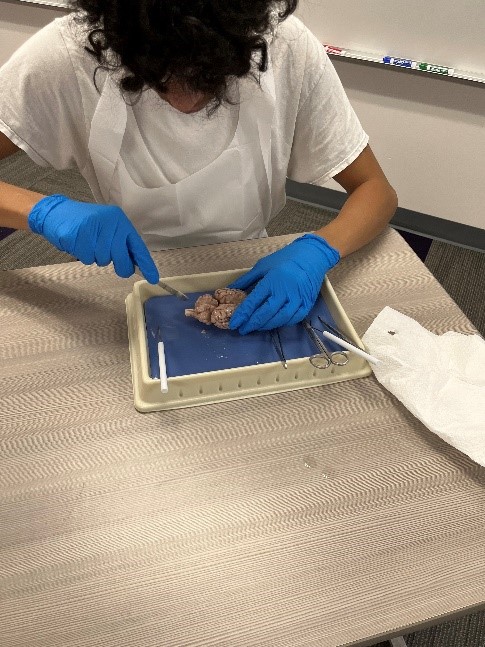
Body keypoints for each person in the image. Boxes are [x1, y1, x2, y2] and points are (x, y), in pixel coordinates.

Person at [0, 0, 397, 335]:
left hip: (251, 266)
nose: (188, 102)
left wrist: (319, 249)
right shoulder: (68, 53)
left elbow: (375, 190)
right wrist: (42, 212)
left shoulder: (284, 45)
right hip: (119, 279)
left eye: (211, 78)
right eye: (163, 78)